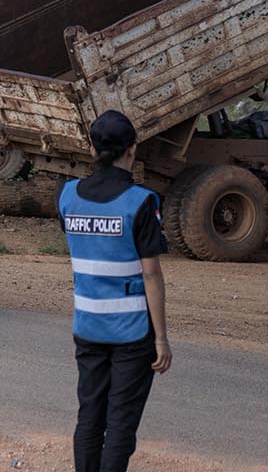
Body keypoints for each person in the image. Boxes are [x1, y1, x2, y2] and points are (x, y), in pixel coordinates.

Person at [58, 110, 171, 472]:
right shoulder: (141, 202)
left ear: (92, 148)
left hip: (88, 324)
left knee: (90, 414)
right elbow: (151, 275)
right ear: (132, 150)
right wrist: (162, 339)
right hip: (132, 330)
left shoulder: (68, 196)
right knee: (121, 419)